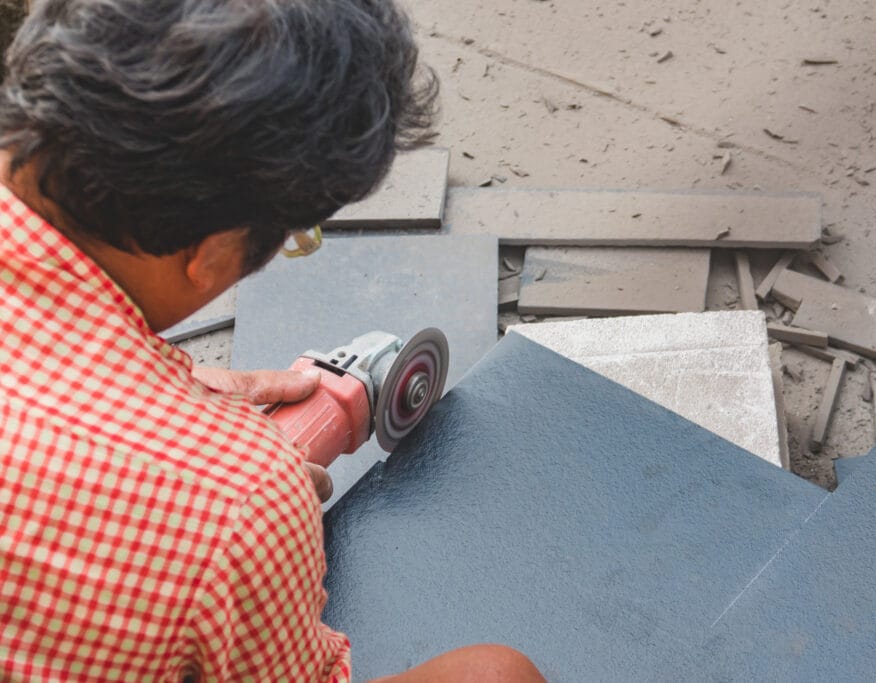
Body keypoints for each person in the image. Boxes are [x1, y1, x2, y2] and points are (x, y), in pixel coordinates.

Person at [0, 1, 545, 681]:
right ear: (212, 248)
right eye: (296, 232)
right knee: (497, 674)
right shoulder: (239, 503)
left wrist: (150, 402)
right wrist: (241, 490)